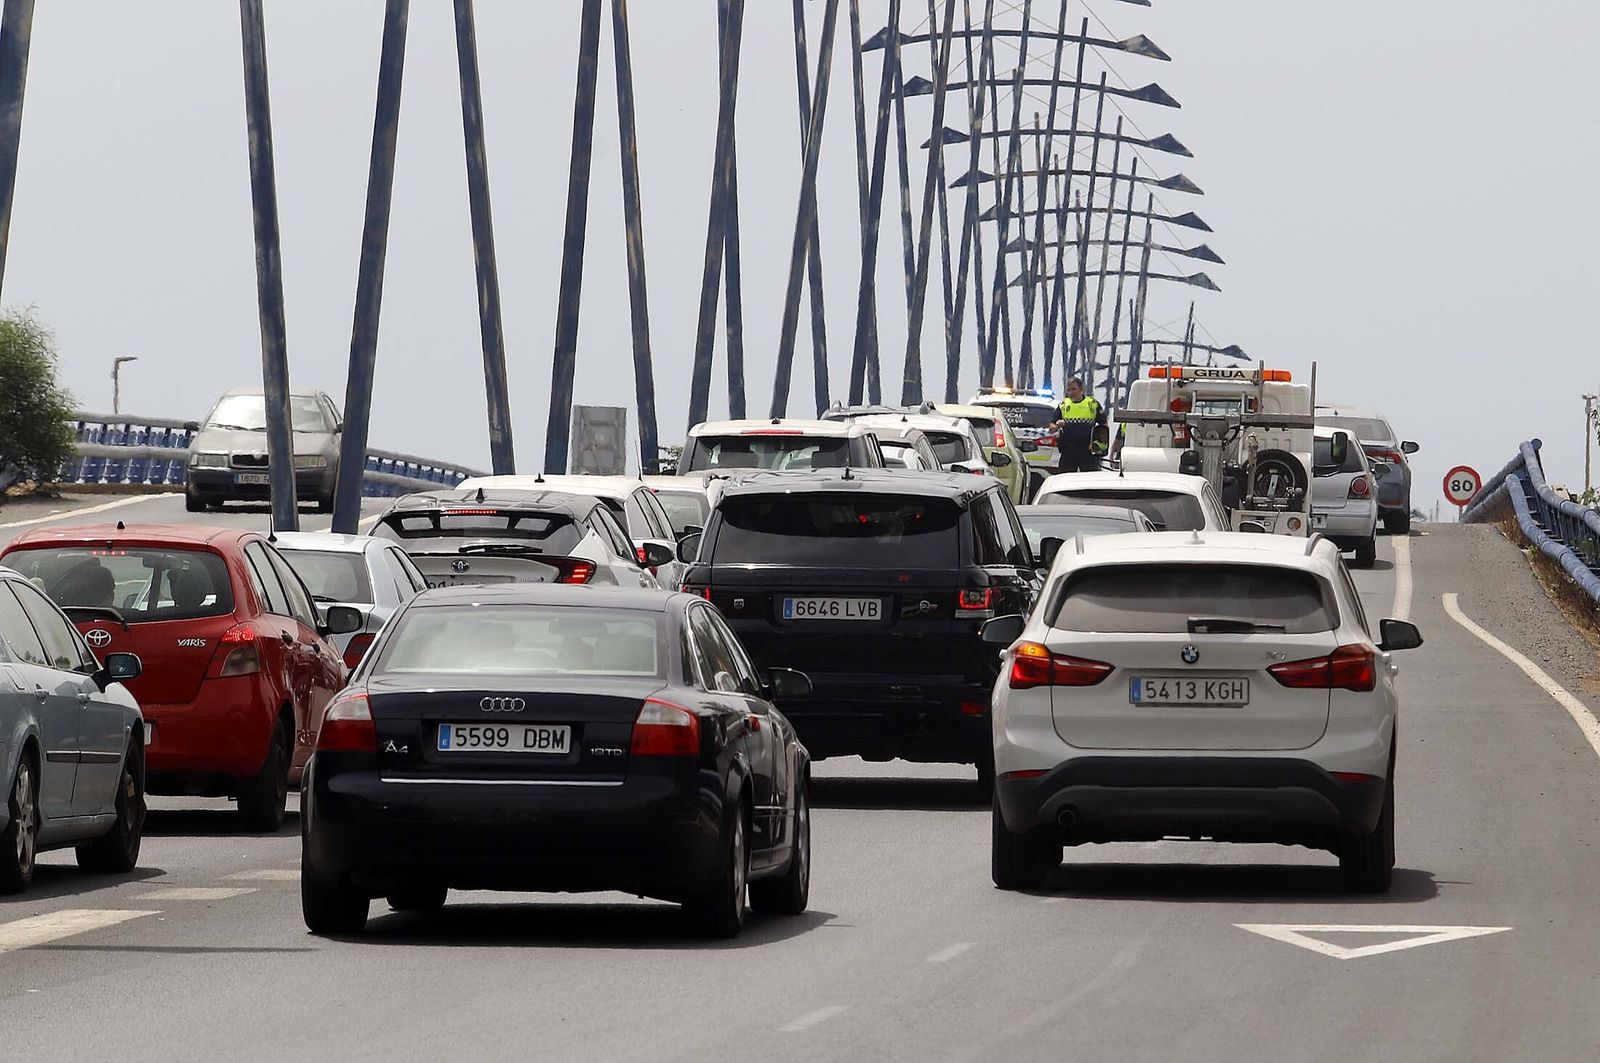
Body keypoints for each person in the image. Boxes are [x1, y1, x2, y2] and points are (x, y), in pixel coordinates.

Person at [1050, 377, 1109, 473]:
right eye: (1068, 390)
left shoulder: (1092, 404)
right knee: (1064, 479)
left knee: (1088, 481)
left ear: (1081, 390)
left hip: (1087, 451)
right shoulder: (1064, 405)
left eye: (1074, 389)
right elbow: (1051, 428)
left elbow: (1104, 426)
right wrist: (1057, 425)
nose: (1071, 392)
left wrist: (1097, 444)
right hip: (1068, 451)